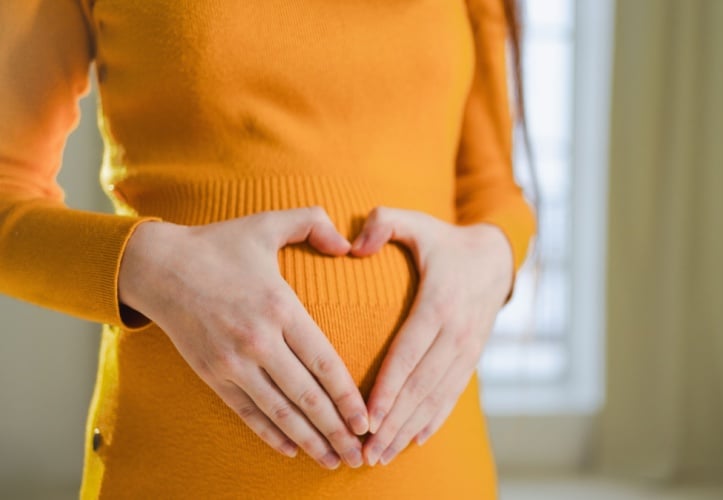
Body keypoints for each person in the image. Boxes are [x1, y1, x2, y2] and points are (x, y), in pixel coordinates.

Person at [0, 0, 536, 498]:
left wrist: (492, 256)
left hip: (435, 471)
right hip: (182, 471)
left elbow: (491, 189)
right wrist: (151, 265)